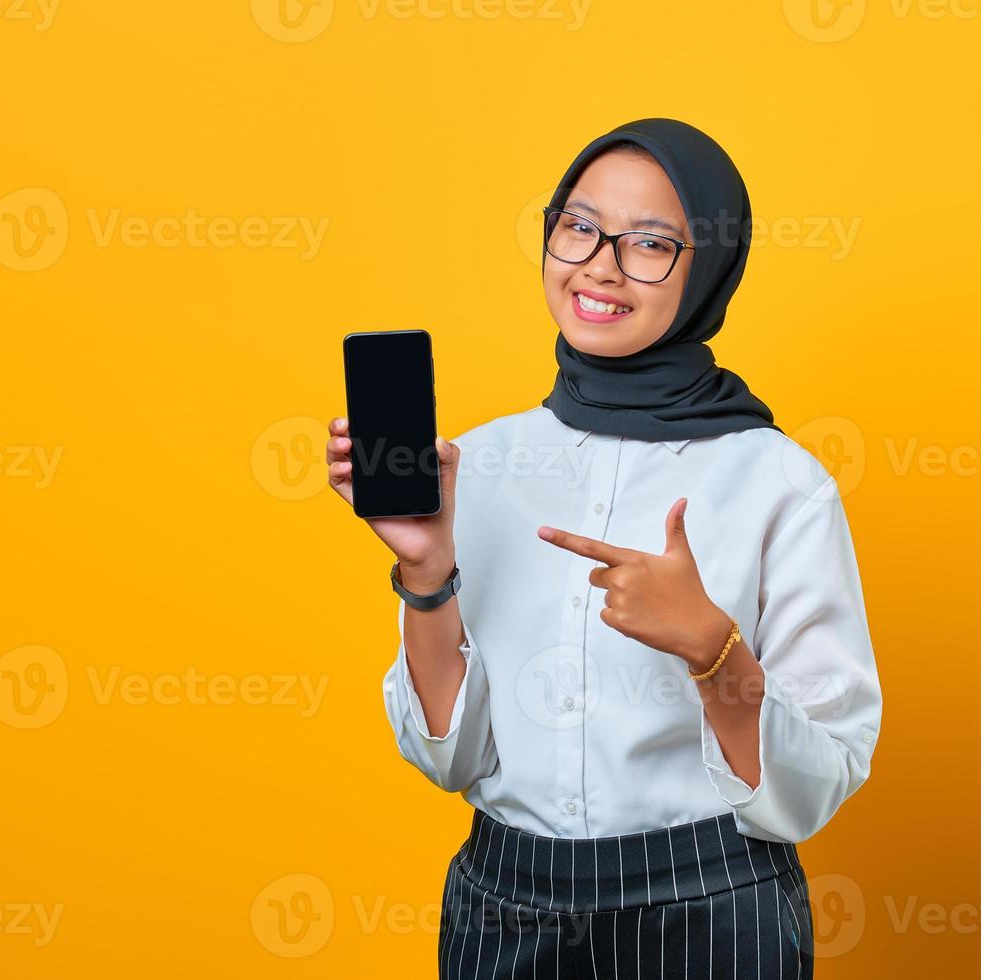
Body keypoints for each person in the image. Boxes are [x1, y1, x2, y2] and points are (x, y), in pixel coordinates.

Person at [327, 117, 881, 978]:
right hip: (504, 906)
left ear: (708, 271)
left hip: (713, 908)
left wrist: (711, 646)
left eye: (651, 243)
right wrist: (425, 572)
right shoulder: (476, 463)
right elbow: (451, 760)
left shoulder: (779, 481)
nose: (600, 265)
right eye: (579, 226)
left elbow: (817, 784)